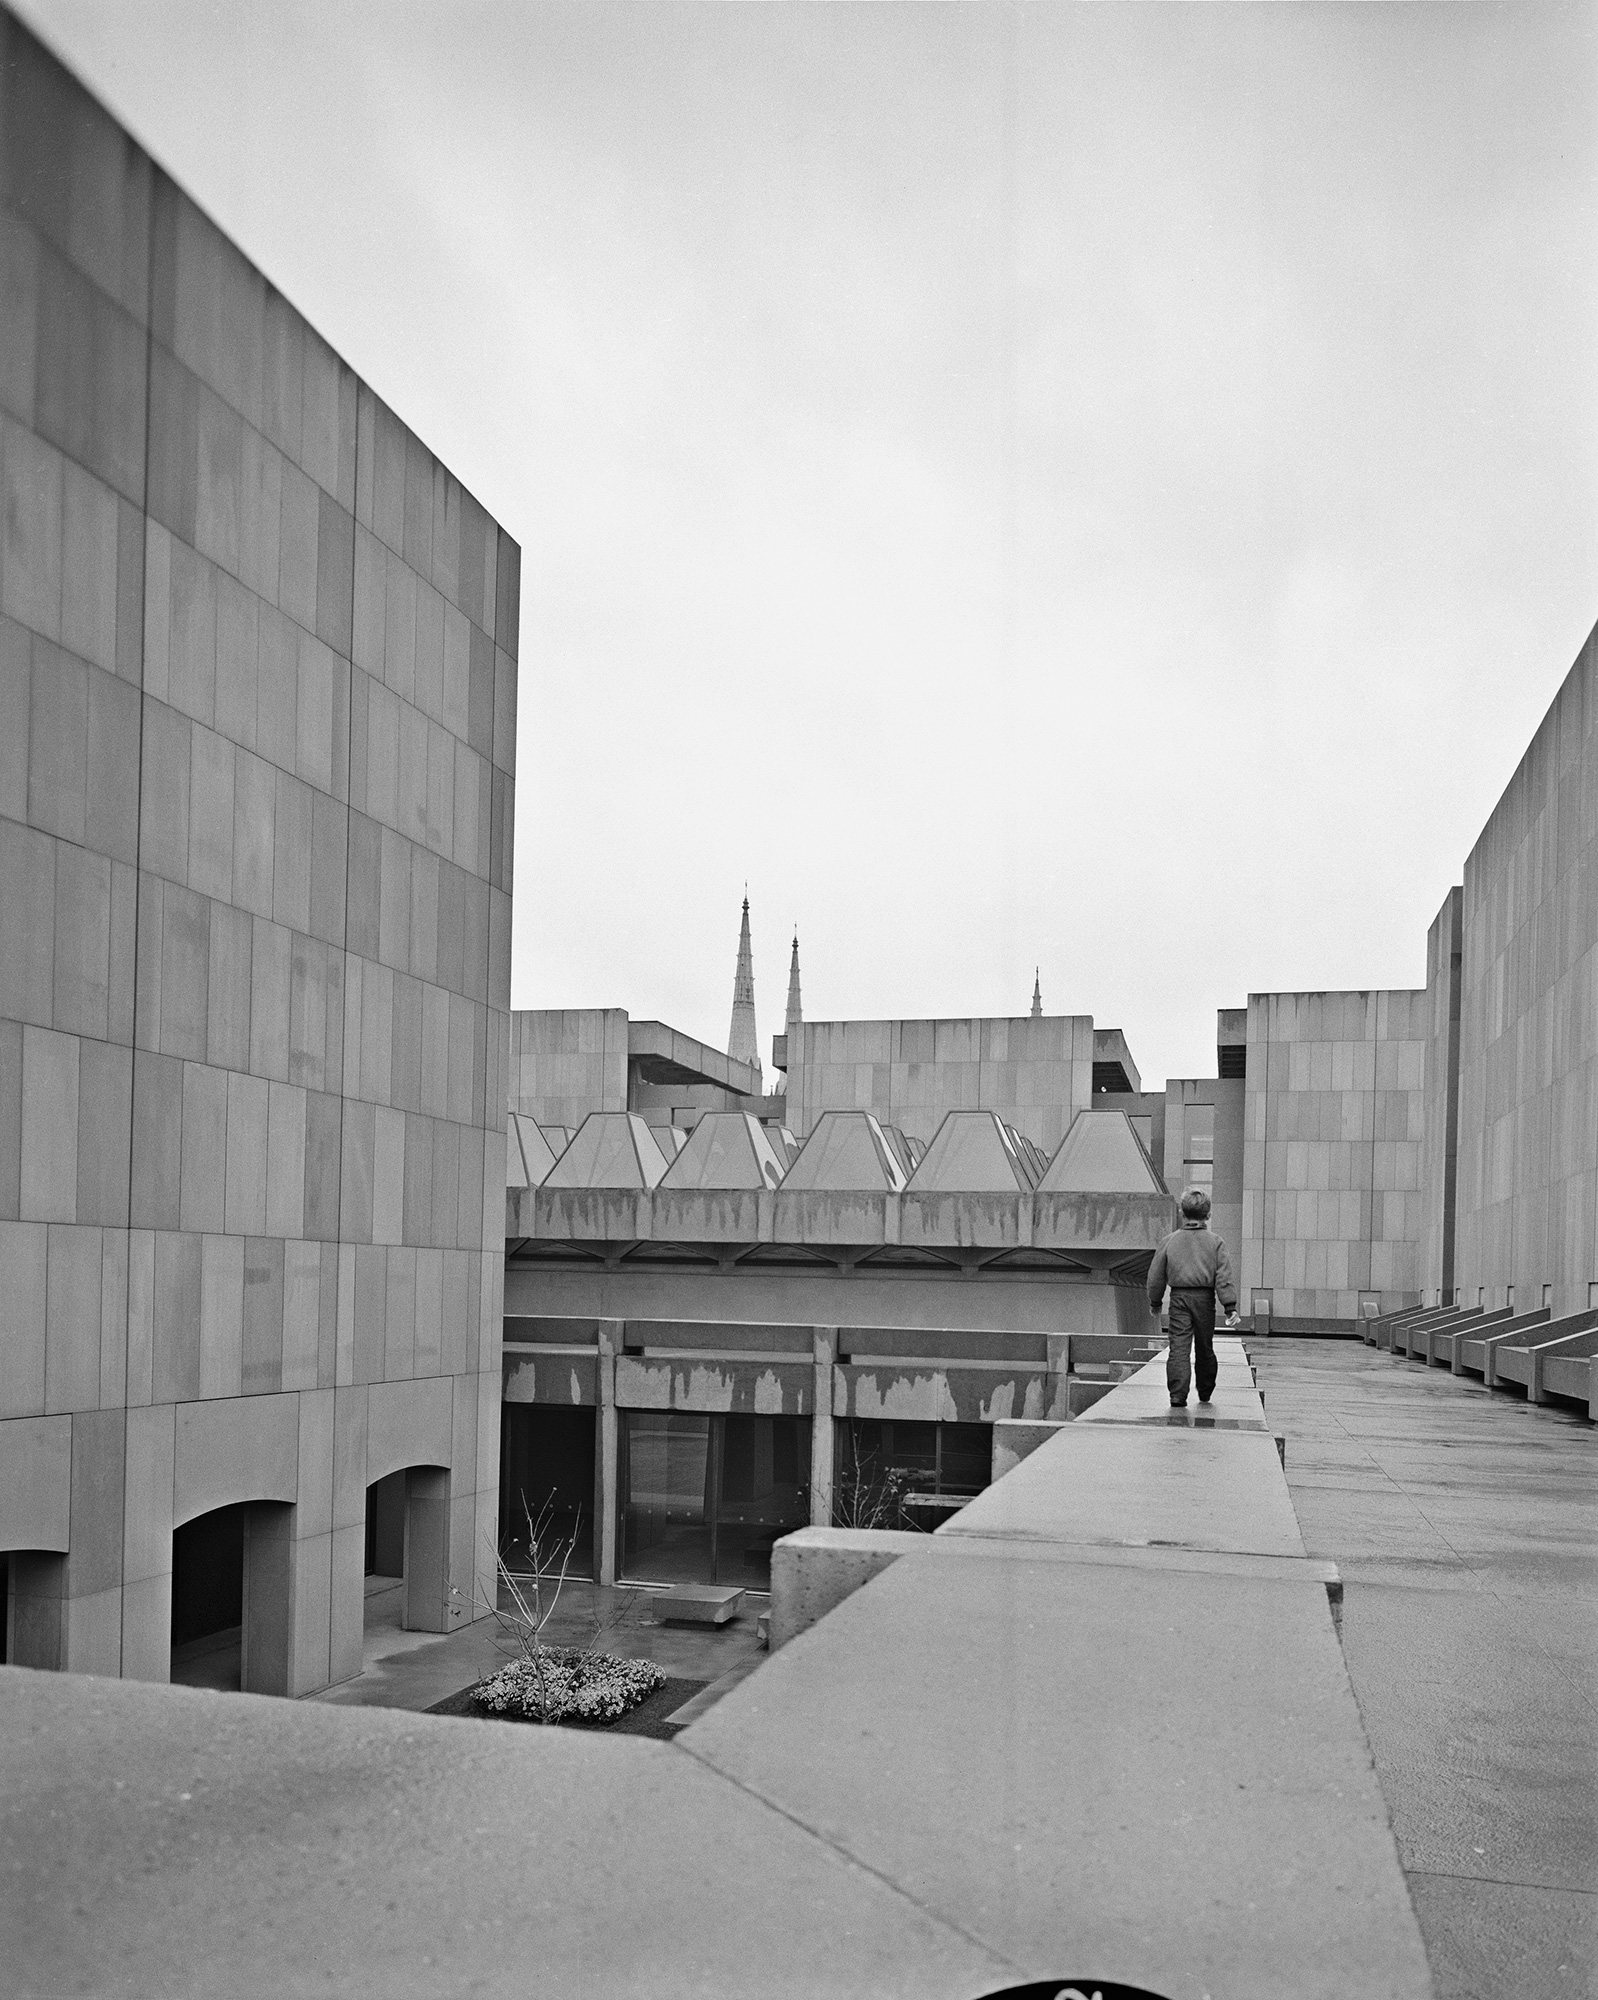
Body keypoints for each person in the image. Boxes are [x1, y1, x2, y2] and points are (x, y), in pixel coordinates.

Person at [1146, 1187, 1240, 1408]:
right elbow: (1223, 1276)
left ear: (1182, 1212)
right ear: (1208, 1215)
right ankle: (1205, 1391)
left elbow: (1155, 1276)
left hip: (1179, 1299)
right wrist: (1229, 1306)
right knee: (1204, 1347)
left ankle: (1177, 1395)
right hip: (1205, 1299)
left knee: (1179, 1347)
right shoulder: (1216, 1242)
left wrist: (1155, 1302)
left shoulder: (1169, 1241)